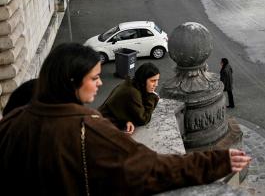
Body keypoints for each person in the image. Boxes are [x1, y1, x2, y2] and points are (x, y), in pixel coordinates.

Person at [0, 43, 251, 194]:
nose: (100, 82)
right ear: (71, 82)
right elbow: (151, 169)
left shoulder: (14, 122)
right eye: (93, 77)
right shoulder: (86, 129)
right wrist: (215, 162)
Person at [98, 63, 161, 134]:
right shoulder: (132, 93)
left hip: (103, 119)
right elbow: (143, 119)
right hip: (103, 127)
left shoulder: (130, 84)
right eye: (153, 81)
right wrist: (151, 96)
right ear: (143, 80)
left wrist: (126, 120)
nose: (156, 84)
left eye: (157, 80)